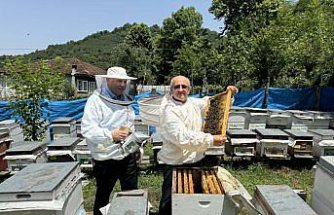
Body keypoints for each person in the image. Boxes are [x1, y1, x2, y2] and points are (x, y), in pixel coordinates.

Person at [157, 75, 238, 215]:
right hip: (175, 163)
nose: (181, 90)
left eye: (184, 87)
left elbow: (212, 103)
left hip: (196, 160)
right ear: (171, 90)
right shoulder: (169, 110)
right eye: (177, 87)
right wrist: (210, 140)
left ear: (189, 89)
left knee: (192, 200)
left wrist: (230, 94)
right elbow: (182, 138)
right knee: (168, 203)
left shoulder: (192, 102)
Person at [81, 66, 138, 215]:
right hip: (105, 157)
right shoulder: (95, 101)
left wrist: (134, 146)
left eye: (124, 81)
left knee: (131, 194)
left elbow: (130, 125)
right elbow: (87, 129)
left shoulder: (126, 100)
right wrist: (110, 134)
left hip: (127, 155)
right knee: (103, 196)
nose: (122, 85)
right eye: (119, 81)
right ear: (108, 80)